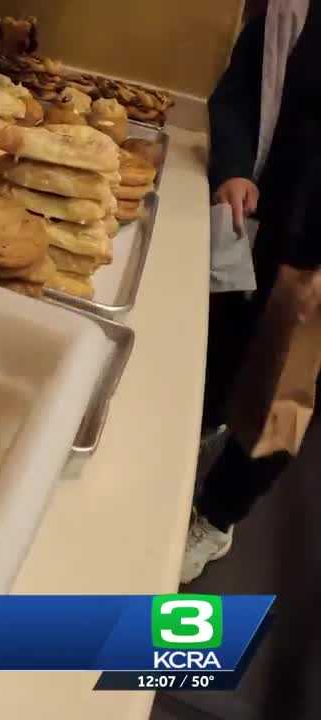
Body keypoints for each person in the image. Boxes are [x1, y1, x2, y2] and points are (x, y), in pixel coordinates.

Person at [183, 0, 321, 584]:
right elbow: (238, 93)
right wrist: (234, 167)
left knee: (283, 395)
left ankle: (217, 517)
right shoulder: (293, 10)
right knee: (220, 343)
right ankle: (200, 429)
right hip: (260, 222)